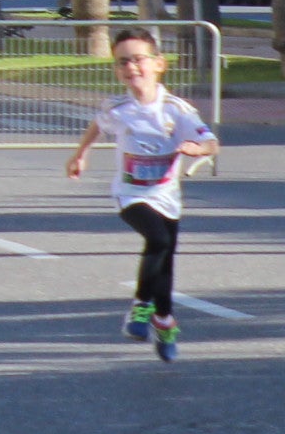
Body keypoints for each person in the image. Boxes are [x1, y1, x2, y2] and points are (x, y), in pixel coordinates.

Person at [63, 29, 218, 364]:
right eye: (123, 62)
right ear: (117, 70)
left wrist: (196, 147)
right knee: (158, 241)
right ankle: (140, 306)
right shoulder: (118, 108)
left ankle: (164, 321)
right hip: (130, 193)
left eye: (138, 59)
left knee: (165, 261)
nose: (132, 67)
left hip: (166, 194)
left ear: (159, 64)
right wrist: (81, 154)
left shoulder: (177, 110)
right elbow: (97, 126)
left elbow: (212, 142)